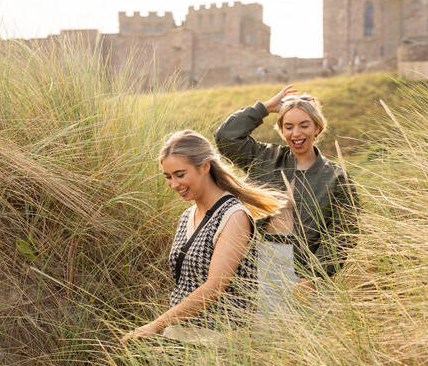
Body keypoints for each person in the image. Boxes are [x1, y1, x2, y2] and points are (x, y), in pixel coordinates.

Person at [120, 130, 284, 345]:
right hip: (180, 336)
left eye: (180, 175)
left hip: (220, 340)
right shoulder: (187, 216)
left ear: (205, 166)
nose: (174, 184)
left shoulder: (233, 216)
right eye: (168, 177)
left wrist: (154, 325)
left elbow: (214, 287)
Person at [214, 85, 358, 292]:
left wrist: (315, 274)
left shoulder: (335, 176)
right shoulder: (264, 157)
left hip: (305, 267)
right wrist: (265, 108)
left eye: (304, 125)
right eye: (288, 126)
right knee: (257, 323)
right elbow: (227, 138)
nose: (296, 133)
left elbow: (345, 231)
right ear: (281, 130)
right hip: (256, 257)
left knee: (302, 323)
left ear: (317, 128)